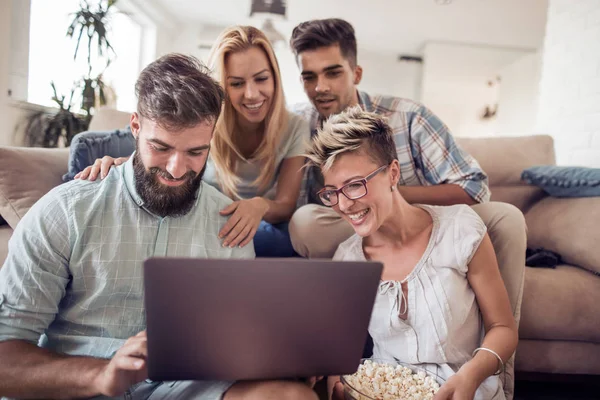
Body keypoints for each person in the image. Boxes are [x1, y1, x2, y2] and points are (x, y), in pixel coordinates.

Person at [0, 53, 317, 400]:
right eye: (160, 147)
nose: (177, 169)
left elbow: (233, 341)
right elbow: (5, 359)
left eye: (196, 151)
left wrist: (282, 354)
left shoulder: (229, 223)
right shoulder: (64, 211)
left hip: (179, 388)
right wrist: (101, 376)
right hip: (79, 382)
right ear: (135, 128)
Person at [287, 18, 525, 399]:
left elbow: (473, 188)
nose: (321, 87)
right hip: (359, 244)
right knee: (306, 223)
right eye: (309, 76)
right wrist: (336, 376)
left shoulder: (407, 117)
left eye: (332, 72)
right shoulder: (299, 125)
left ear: (355, 72)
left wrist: (391, 199)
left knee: (508, 218)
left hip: (424, 213)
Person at [306, 107, 518, 400]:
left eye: (354, 185)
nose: (343, 205)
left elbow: (503, 328)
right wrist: (337, 382)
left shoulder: (460, 229)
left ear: (392, 173)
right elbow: (340, 352)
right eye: (332, 192)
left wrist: (471, 375)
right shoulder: (347, 260)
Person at [75, 26, 310, 257]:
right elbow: (166, 151)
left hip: (256, 223)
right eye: (236, 83)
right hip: (203, 212)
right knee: (87, 154)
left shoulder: (294, 126)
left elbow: (286, 203)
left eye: (261, 79)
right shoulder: (208, 120)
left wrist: (259, 205)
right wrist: (121, 164)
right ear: (222, 86)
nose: (251, 93)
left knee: (278, 241)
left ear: (275, 78)